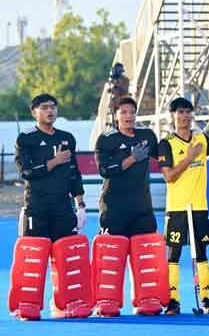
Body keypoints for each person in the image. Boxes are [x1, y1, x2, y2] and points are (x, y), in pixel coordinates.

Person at [11, 93, 87, 319]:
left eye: (53, 107)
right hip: (37, 207)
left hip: (63, 208)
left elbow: (74, 173)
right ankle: (28, 304)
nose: (50, 111)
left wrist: (80, 203)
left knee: (66, 259)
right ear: (34, 111)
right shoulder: (26, 138)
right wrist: (53, 162)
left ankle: (63, 304)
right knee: (34, 259)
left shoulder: (67, 137)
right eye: (45, 107)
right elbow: (25, 172)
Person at [157, 97, 209, 314]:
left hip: (199, 206)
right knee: (173, 255)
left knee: (201, 253)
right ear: (172, 116)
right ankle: (173, 300)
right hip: (177, 208)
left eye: (187, 112)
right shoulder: (166, 144)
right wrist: (190, 157)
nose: (184, 116)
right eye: (180, 112)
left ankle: (206, 299)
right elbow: (170, 176)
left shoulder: (202, 139)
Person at [96, 97, 157, 238]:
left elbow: (164, 158)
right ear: (115, 115)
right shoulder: (106, 138)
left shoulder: (147, 135)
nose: (128, 116)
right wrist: (132, 159)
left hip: (142, 211)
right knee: (112, 258)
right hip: (114, 210)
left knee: (146, 257)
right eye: (123, 112)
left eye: (132, 112)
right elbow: (104, 170)